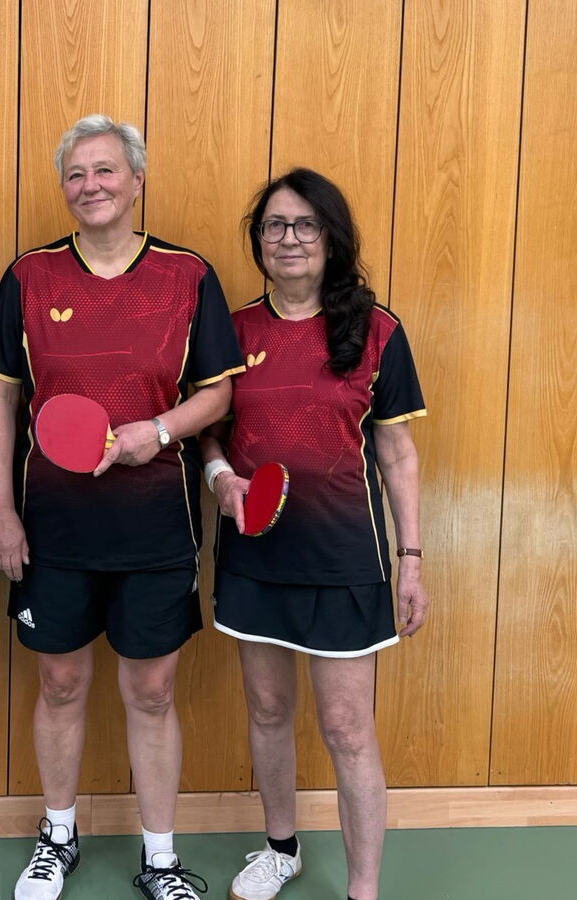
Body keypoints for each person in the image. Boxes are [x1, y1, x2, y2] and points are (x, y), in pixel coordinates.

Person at [0, 114, 244, 900]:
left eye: (105, 171)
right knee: (60, 685)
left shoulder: (188, 276)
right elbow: (0, 400)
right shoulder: (28, 277)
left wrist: (153, 433)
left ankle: (160, 859)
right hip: (53, 528)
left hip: (156, 526)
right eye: (76, 174)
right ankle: (57, 839)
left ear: (136, 181)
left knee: (152, 692)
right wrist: (1, 511)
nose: (90, 185)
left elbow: (217, 394)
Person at [200, 168, 428, 900]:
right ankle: (280, 850)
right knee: (268, 711)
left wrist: (411, 560)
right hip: (255, 554)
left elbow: (396, 452)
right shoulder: (233, 331)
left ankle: (363, 889)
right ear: (258, 240)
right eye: (275, 225)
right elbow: (208, 432)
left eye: (305, 225)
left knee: (347, 728)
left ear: (332, 238)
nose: (289, 238)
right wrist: (220, 478)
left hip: (343, 560)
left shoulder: (378, 331)